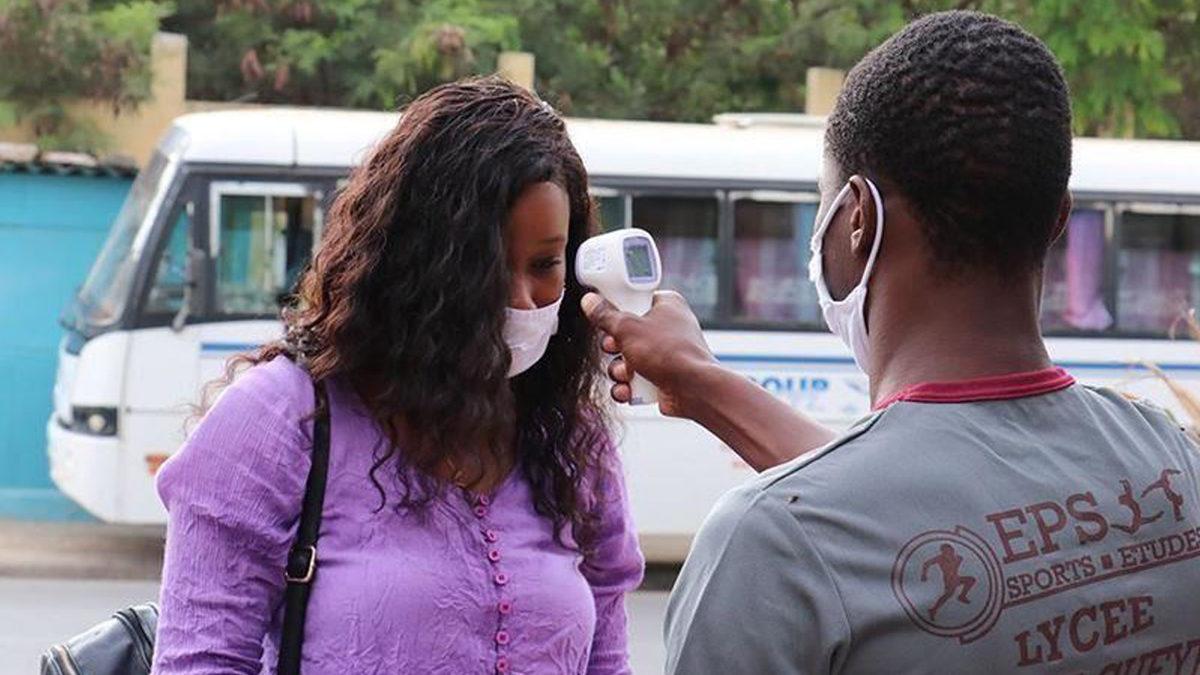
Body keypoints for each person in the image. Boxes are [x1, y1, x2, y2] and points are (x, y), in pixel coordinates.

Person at [582, 11, 1200, 673]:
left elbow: (867, 521)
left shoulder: (768, 547)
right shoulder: (1174, 463)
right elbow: (903, 512)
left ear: (858, 217)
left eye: (822, 209)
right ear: (1058, 219)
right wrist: (704, 384)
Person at [153, 77, 644, 674]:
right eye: (486, 269)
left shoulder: (571, 440)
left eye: (545, 265)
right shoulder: (282, 418)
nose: (520, 299)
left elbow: (606, 661)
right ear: (416, 268)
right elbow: (200, 662)